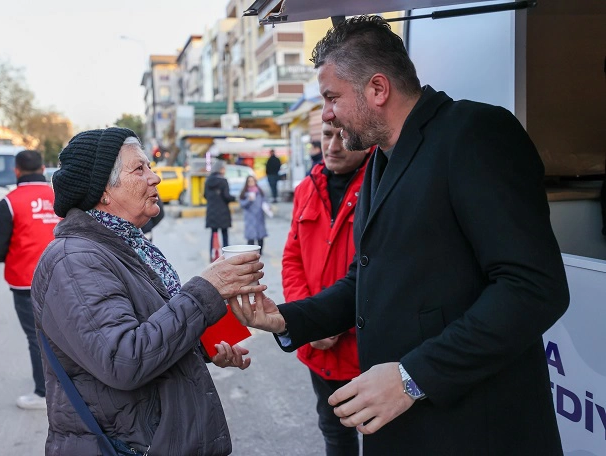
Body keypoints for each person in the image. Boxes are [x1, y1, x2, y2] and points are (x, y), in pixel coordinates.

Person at [230, 15, 569, 455]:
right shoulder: (379, 161)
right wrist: (288, 318)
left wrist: (413, 377)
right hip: (407, 431)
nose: (326, 114)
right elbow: (367, 280)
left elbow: (534, 288)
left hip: (476, 430)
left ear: (377, 89)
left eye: (331, 97)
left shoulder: (474, 133)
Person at [30, 127, 265, 455]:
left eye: (150, 167)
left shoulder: (131, 245)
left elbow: (151, 331)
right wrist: (206, 289)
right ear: (103, 191)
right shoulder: (75, 260)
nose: (154, 178)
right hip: (130, 444)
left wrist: (204, 346)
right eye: (139, 169)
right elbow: (123, 358)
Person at [282, 120, 371, 456]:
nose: (332, 146)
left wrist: (332, 320)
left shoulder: (382, 183)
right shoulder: (307, 188)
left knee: (385, 436)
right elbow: (292, 259)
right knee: (335, 433)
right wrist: (310, 321)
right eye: (326, 136)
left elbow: (388, 273)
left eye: (343, 136)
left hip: (367, 347)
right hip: (320, 347)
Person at [0, 149, 60, 410]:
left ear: (17, 171)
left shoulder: (9, 202)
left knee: (36, 337)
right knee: (68, 331)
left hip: (25, 281)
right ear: (42, 169)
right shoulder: (61, 196)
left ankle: (44, 393)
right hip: (66, 277)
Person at [204, 160, 235, 259]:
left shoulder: (208, 181)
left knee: (213, 233)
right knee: (224, 234)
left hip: (212, 211)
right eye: (224, 168)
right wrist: (234, 198)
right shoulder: (223, 181)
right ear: (221, 169)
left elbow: (205, 195)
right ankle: (226, 255)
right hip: (223, 211)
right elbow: (227, 196)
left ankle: (212, 254)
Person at [239, 175, 268, 254]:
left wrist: (267, 208)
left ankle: (260, 251)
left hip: (259, 216)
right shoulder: (244, 193)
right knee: (250, 236)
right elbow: (242, 204)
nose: (251, 183)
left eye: (253, 181)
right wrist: (249, 200)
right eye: (249, 181)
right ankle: (250, 252)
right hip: (250, 217)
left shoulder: (260, 191)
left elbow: (265, 202)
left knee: (260, 235)